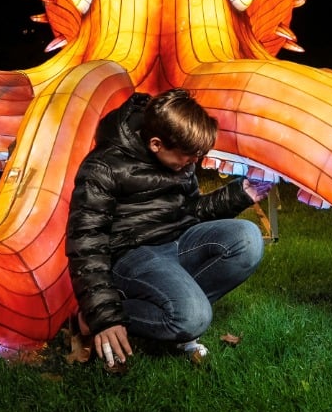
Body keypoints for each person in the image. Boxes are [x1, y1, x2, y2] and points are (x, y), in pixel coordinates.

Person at [66, 88, 272, 369]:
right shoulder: (102, 167)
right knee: (193, 318)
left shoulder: (178, 155)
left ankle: (177, 308)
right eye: (188, 157)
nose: (193, 163)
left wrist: (240, 194)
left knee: (247, 238)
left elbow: (191, 210)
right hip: (132, 255)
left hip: (178, 240)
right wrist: (104, 315)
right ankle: (91, 319)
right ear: (155, 144)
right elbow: (86, 244)